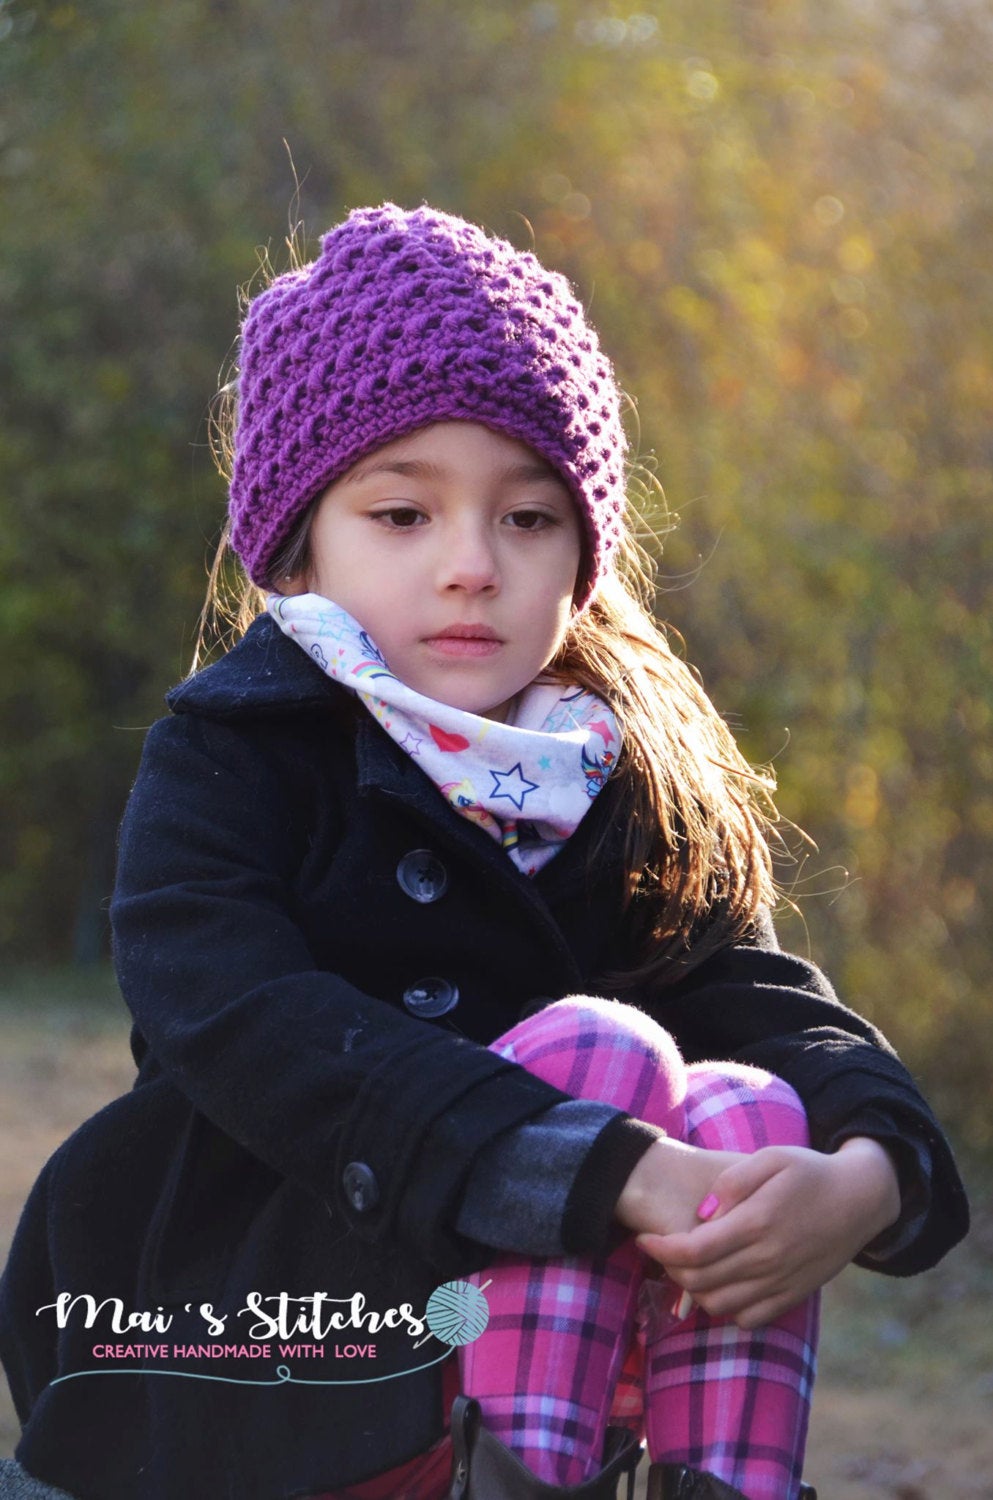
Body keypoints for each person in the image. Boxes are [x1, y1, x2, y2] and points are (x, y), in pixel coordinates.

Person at [0, 204, 968, 1500]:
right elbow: (232, 1014)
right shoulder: (237, 748)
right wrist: (593, 1163)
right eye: (403, 515)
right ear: (297, 550)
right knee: (601, 1052)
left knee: (752, 1106)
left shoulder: (608, 772)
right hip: (277, 1315)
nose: (472, 566)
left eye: (526, 519)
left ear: (582, 549)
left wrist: (869, 1173)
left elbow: (755, 995)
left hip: (535, 1331)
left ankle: (711, 1479)